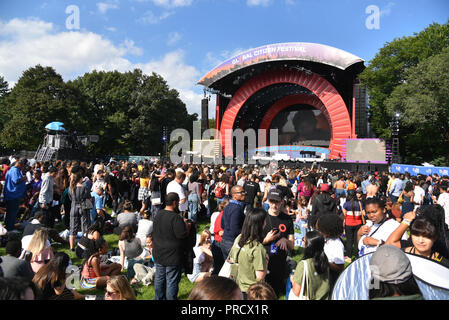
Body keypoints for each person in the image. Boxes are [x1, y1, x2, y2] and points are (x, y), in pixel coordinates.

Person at [152, 192, 189, 300]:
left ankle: (158, 298)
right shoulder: (175, 218)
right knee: (171, 280)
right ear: (174, 202)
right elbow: (182, 234)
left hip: (159, 252)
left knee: (159, 278)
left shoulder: (158, 214)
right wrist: (186, 226)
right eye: (177, 202)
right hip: (172, 255)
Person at [262, 188, 294, 296]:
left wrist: (285, 240)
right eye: (272, 202)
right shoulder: (262, 217)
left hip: (280, 262)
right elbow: (252, 243)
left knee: (276, 293)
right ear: (268, 201)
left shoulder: (287, 219)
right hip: (263, 262)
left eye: (277, 202)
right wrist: (266, 240)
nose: (274, 205)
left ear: (282, 202)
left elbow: (292, 245)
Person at [229, 208, 268, 299]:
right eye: (265, 221)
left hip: (237, 287)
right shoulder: (258, 248)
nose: (266, 223)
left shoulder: (239, 238)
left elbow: (232, 258)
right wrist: (266, 261)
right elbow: (260, 276)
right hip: (252, 291)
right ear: (260, 224)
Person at [290, 230, 330, 300]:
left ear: (308, 245)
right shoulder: (325, 261)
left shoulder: (303, 264)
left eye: (304, 240)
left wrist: (292, 280)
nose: (302, 242)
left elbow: (296, 292)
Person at [316, 214, 345, 290]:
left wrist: (325, 262)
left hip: (332, 278)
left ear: (327, 230)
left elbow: (340, 267)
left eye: (320, 230)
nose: (318, 232)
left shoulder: (337, 244)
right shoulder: (327, 239)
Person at [220, 185, 246, 262]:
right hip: (232, 243)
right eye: (241, 192)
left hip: (224, 240)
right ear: (234, 195)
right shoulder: (237, 209)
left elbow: (222, 224)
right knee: (233, 269)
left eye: (244, 192)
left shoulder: (227, 206)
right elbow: (235, 229)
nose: (244, 194)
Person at [68, 172, 92, 251]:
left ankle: (71, 247)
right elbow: (88, 197)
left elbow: (70, 198)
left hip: (74, 207)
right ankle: (84, 245)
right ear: (80, 179)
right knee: (85, 227)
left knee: (73, 227)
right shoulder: (84, 187)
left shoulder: (70, 188)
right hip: (83, 207)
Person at [4, 158, 28, 231]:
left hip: (11, 194)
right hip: (13, 195)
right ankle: (10, 227)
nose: (22, 168)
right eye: (23, 166)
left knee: (10, 212)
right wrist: (24, 178)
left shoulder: (11, 170)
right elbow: (16, 180)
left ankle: (9, 226)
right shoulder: (15, 170)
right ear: (19, 164)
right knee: (12, 212)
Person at [342, 190, 365, 263]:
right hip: (358, 223)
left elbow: (344, 215)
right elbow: (363, 213)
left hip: (348, 224)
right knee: (356, 240)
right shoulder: (359, 203)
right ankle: (356, 255)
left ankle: (349, 257)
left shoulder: (346, 204)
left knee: (349, 240)